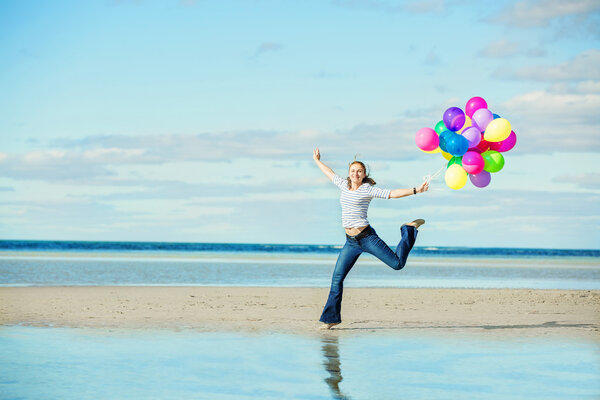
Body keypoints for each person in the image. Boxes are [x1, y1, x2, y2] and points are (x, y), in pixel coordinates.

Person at [313, 147, 429, 329]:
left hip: (367, 238)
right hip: (350, 242)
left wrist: (416, 190)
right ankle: (331, 319)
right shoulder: (343, 184)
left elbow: (391, 193)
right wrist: (318, 161)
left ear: (364, 174)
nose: (355, 174)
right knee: (337, 279)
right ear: (349, 173)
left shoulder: (367, 189)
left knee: (397, 264)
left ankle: (408, 229)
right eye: (353, 171)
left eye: (359, 171)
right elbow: (330, 173)